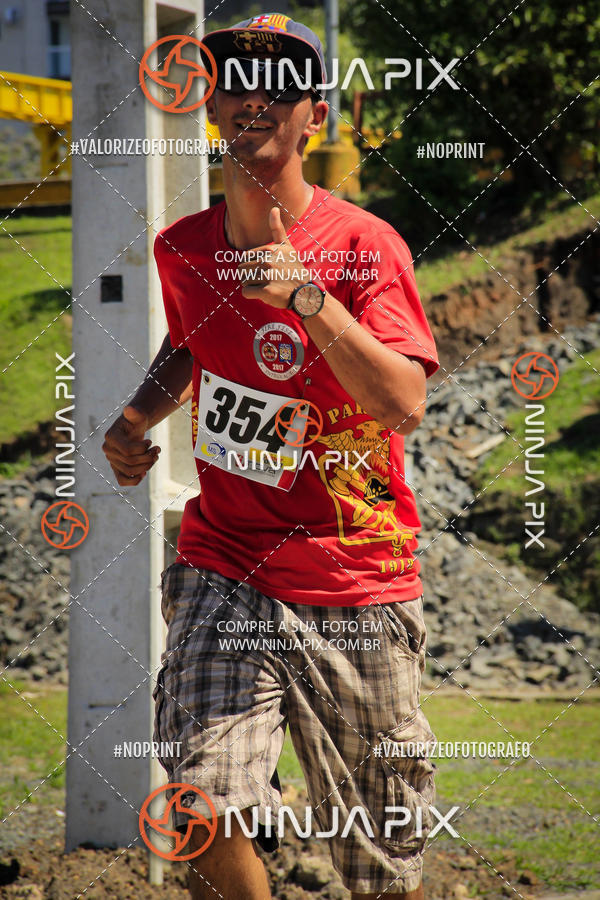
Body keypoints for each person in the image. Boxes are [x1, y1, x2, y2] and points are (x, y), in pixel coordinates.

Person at [103, 13, 440, 900]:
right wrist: (137, 417)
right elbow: (194, 343)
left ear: (313, 119)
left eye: (278, 87)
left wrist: (305, 294)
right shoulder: (184, 249)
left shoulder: (365, 246)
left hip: (353, 576)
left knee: (382, 860)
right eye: (232, 83)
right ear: (211, 105)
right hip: (226, 562)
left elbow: (401, 400)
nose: (251, 99)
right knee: (201, 800)